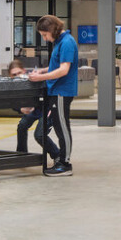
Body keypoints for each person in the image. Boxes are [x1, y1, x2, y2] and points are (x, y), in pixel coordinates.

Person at [24, 15, 77, 176]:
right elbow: (56, 65)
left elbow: (63, 70)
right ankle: (61, 159)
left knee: (62, 128)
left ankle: (65, 163)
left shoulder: (67, 42)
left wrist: (40, 77)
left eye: (45, 35)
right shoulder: (60, 42)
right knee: (60, 127)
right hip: (56, 91)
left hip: (62, 91)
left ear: (52, 30)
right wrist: (43, 70)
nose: (44, 38)